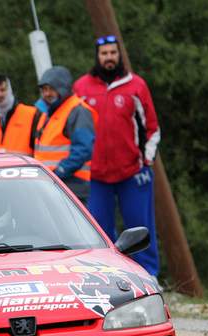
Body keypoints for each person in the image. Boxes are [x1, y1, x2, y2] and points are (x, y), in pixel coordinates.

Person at [73, 35, 161, 281]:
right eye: (104, 54)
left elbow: (152, 128)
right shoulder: (81, 87)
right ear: (97, 57)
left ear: (119, 55)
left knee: (140, 226)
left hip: (132, 172)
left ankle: (148, 276)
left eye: (113, 53)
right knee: (97, 231)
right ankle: (109, 278)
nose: (109, 58)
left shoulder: (136, 86)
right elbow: (72, 125)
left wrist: (146, 161)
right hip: (96, 175)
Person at [33, 66, 96, 204]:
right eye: (44, 89)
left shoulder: (78, 111)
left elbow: (83, 149)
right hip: (52, 183)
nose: (47, 93)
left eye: (51, 89)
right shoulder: (49, 112)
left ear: (63, 89)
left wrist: (59, 172)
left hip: (72, 185)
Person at [0, 74, 41, 155]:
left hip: (25, 163)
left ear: (9, 90)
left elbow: (39, 152)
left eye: (2, 90)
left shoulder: (31, 114)